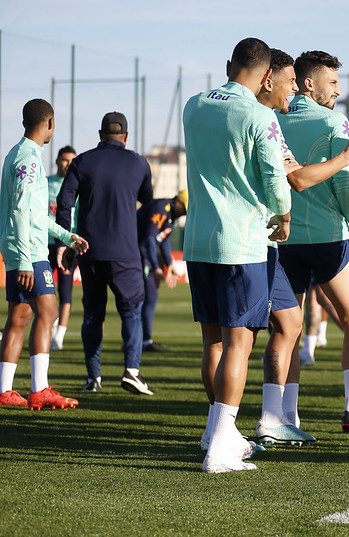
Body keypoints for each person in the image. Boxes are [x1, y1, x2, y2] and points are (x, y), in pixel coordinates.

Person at [250, 47, 349, 446]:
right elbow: (343, 183)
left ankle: (285, 416)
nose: (338, 90)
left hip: (281, 240)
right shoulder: (334, 121)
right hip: (327, 239)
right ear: (308, 83)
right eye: (332, 82)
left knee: (287, 330)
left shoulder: (271, 117)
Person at [184, 38, 292, 473]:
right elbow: (275, 179)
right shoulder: (260, 116)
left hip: (197, 241)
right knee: (239, 345)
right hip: (242, 243)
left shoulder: (193, 105)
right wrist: (284, 215)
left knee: (212, 342)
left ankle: (215, 433)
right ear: (267, 76)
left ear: (229, 64)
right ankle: (220, 448)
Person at [57, 111, 154, 396]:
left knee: (92, 314)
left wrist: (65, 241)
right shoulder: (138, 162)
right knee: (131, 312)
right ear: (126, 136)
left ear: (100, 135)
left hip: (88, 250)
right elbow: (147, 203)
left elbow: (64, 203)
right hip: (125, 252)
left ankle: (93, 377)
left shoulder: (82, 162)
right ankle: (131, 372)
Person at [0, 99, 88, 409]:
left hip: (19, 248)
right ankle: (40, 389)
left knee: (19, 317)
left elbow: (35, 213)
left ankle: (5, 390)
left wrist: (67, 236)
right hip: (30, 252)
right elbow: (20, 210)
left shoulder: (17, 153)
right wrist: (26, 260)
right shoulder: (29, 159)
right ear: (49, 122)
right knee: (49, 313)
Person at [137, 190, 187, 353]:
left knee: (149, 296)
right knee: (147, 296)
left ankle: (140, 340)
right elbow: (149, 238)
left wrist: (169, 263)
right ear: (178, 202)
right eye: (184, 209)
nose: (185, 213)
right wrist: (156, 267)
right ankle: (141, 340)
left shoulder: (170, 215)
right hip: (137, 254)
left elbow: (164, 240)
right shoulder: (161, 207)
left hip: (143, 255)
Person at [46, 145, 78, 350]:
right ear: (57, 161)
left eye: (72, 161)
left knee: (65, 292)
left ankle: (59, 336)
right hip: (44, 245)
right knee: (44, 291)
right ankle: (49, 323)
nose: (68, 164)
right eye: (65, 160)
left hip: (68, 246)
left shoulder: (78, 187)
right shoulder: (45, 183)